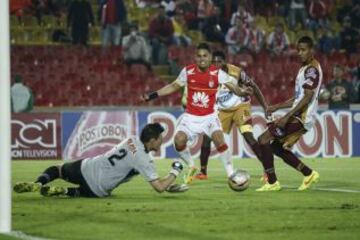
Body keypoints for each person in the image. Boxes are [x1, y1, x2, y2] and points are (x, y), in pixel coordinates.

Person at [142, 43, 253, 184]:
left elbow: (235, 88)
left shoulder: (218, 74)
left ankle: (231, 174)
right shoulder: (187, 71)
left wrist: (244, 92)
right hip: (191, 117)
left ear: (210, 57)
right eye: (199, 56)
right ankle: (191, 165)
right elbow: (173, 86)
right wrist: (152, 95)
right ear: (195, 57)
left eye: (205, 56)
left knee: (219, 139)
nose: (202, 59)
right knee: (178, 141)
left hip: (210, 116)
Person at [13, 123, 187, 197]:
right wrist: (175, 170)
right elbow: (158, 187)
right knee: (87, 192)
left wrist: (166, 184)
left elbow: (139, 168)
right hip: (98, 188)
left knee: (58, 169)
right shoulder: (143, 160)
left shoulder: (132, 139)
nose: (162, 140)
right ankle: (67, 192)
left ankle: (39, 182)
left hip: (86, 167)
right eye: (160, 137)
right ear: (153, 140)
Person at [256, 36, 321, 191]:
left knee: (263, 139)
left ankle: (272, 182)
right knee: (277, 148)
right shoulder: (304, 69)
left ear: (312, 50)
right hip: (299, 115)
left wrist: (286, 117)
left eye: (303, 50)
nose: (300, 53)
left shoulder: (312, 69)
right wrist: (277, 107)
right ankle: (309, 173)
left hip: (302, 117)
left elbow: (307, 97)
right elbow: (297, 98)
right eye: (298, 50)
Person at [195, 50, 268, 180]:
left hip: (240, 106)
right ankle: (203, 172)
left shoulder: (237, 72)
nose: (217, 64)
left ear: (225, 62)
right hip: (222, 110)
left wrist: (265, 106)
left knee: (248, 135)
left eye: (220, 61)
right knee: (207, 136)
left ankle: (268, 170)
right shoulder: (209, 74)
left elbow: (254, 87)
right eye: (214, 62)